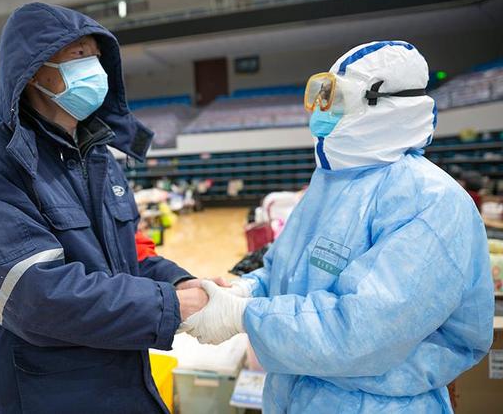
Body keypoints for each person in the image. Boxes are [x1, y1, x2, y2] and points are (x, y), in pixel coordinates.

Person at [182, 41, 494, 413]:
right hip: (293, 396)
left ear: (381, 103)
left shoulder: (432, 203)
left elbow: (362, 332)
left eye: (337, 99)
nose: (323, 112)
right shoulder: (330, 185)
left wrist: (243, 316)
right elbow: (288, 272)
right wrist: (246, 290)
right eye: (322, 97)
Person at [0, 2, 221, 414]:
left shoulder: (99, 159)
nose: (95, 67)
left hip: (121, 381)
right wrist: (169, 306)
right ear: (36, 70)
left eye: (97, 56)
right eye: (78, 55)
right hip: (45, 396)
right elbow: (35, 297)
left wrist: (183, 283)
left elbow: (128, 258)